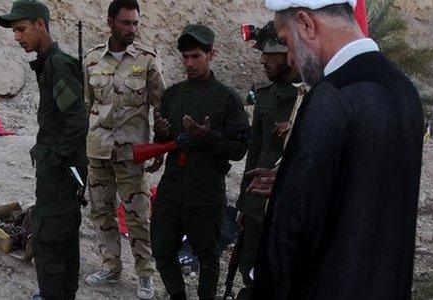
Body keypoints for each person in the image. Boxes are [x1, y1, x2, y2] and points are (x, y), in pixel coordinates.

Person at [250, 1, 424, 299]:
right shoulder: (404, 90)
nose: (290, 58)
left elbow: (291, 228)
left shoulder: (331, 97)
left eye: (286, 41)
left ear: (306, 24)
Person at [0, 1, 88, 299]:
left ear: (40, 24)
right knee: (60, 238)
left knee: (50, 240)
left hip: (60, 171)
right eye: (15, 32)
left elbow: (76, 119)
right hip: (59, 168)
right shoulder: (48, 62)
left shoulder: (58, 64)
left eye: (21, 29)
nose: (17, 37)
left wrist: (56, 159)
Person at [151, 24, 249, 300]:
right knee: (162, 249)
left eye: (196, 56)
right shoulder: (173, 94)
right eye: (185, 57)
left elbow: (240, 148)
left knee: (207, 255)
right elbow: (162, 141)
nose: (190, 63)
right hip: (172, 186)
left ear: (211, 54)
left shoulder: (227, 98)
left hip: (206, 188)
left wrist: (207, 137)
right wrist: (160, 132)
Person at [81, 1, 164, 299]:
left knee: (138, 215)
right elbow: (87, 105)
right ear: (110, 22)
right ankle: (111, 266)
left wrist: (159, 150)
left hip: (133, 154)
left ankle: (144, 275)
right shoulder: (91, 59)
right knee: (101, 212)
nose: (132, 29)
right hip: (98, 151)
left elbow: (160, 107)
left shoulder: (147, 60)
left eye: (135, 23)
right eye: (126, 23)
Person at [234, 20, 299, 299]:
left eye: (271, 54)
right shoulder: (264, 97)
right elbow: (255, 154)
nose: (264, 60)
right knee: (250, 271)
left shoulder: (311, 97)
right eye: (262, 53)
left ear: (291, 55)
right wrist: (243, 205)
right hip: (258, 204)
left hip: (291, 205)